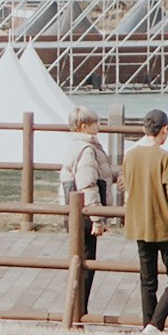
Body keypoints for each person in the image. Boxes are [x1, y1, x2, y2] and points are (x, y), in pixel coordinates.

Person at [122, 109, 168, 334]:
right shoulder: (165, 158)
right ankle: (155, 324)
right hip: (163, 224)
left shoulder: (130, 155)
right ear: (164, 129)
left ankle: (147, 324)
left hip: (139, 223)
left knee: (147, 280)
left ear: (144, 128)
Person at [59, 107, 117, 321]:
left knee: (81, 262)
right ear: (84, 126)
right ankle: (78, 313)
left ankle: (76, 311)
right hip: (85, 216)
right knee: (86, 265)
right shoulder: (87, 149)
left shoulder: (77, 146)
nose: (98, 125)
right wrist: (97, 217)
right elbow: (88, 184)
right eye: (94, 122)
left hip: (75, 214)